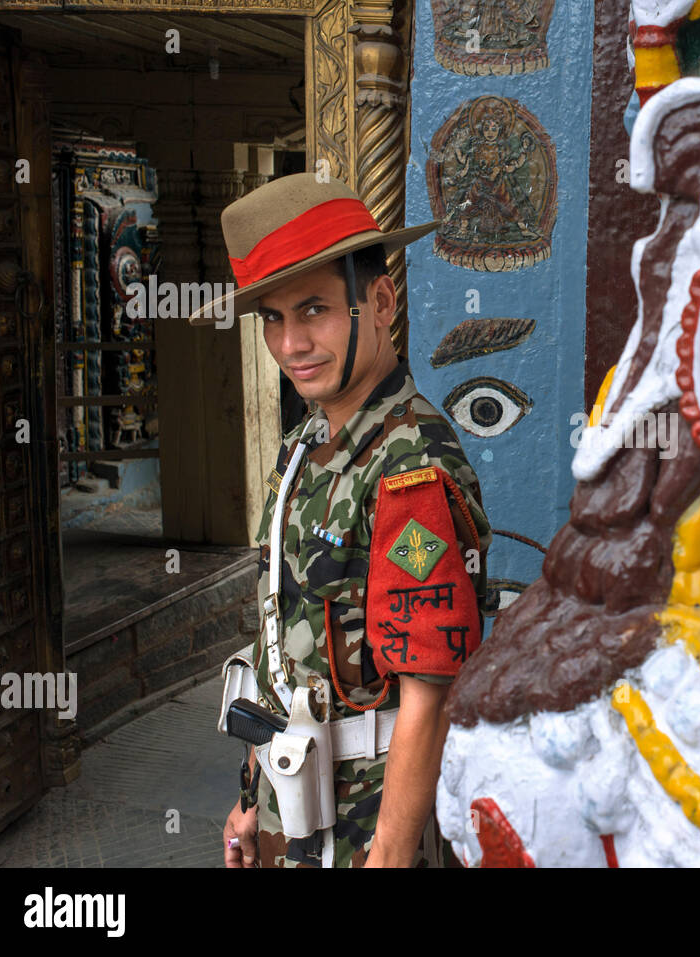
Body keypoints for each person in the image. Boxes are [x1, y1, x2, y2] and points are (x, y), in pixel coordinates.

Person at [188, 173, 490, 867]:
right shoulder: (305, 445)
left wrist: (386, 857)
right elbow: (284, 644)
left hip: (367, 830)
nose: (291, 342)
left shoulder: (410, 467)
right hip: (293, 811)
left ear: (378, 303)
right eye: (271, 317)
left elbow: (429, 696)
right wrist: (254, 799)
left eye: (314, 309)